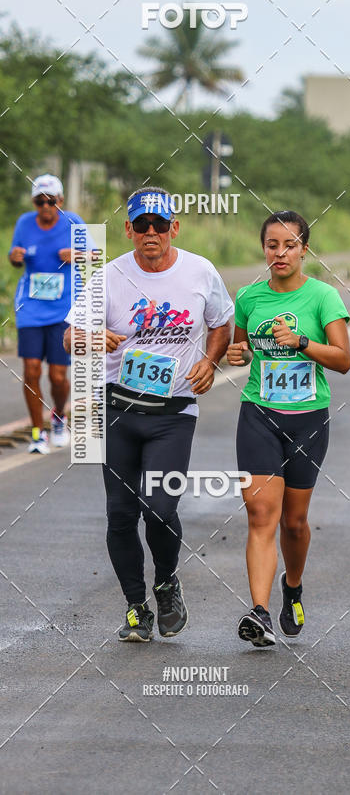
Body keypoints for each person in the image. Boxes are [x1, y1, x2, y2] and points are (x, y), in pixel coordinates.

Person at [64, 186, 233, 643]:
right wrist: (91, 339)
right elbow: (70, 336)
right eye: (142, 225)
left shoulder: (200, 271)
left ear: (174, 227)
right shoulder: (107, 277)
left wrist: (210, 361)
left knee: (159, 508)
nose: (151, 233)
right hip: (116, 409)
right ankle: (136, 605)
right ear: (129, 229)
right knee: (120, 513)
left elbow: (221, 321)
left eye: (160, 225)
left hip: (174, 412)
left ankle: (166, 583)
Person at [227, 210, 350, 647]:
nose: (280, 253)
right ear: (264, 248)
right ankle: (259, 612)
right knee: (261, 514)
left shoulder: (323, 298)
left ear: (305, 249)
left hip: (308, 419)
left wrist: (302, 342)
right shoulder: (248, 297)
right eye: (272, 245)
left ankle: (292, 587)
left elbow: (343, 360)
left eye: (290, 245)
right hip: (258, 412)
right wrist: (237, 356)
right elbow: (238, 348)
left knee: (294, 523)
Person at [8, 174, 87, 454]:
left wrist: (76, 254)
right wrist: (14, 258)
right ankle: (36, 432)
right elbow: (14, 256)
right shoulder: (24, 223)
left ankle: (58, 417)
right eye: (39, 201)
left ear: (61, 201)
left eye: (50, 201)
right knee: (30, 370)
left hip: (62, 309)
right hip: (30, 306)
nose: (45, 207)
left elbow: (94, 255)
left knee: (56, 376)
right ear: (34, 202)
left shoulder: (73, 222)